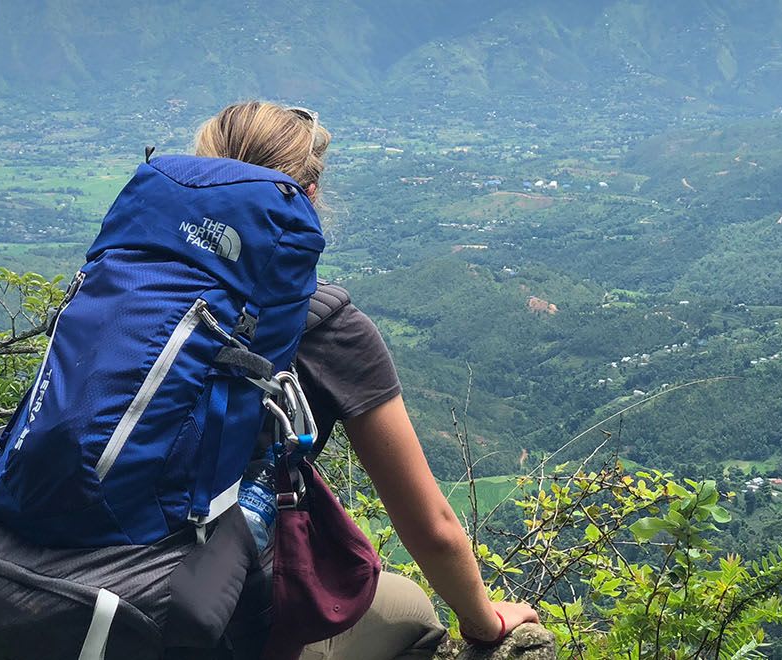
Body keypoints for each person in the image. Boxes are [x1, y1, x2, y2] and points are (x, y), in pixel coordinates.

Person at [193, 101, 538, 659]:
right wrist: (486, 621)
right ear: (308, 198)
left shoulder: (131, 293)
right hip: (204, 612)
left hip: (48, 579)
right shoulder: (328, 328)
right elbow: (432, 526)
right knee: (413, 612)